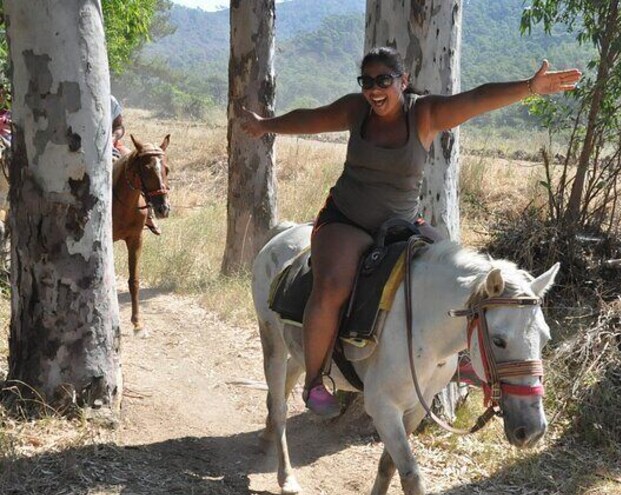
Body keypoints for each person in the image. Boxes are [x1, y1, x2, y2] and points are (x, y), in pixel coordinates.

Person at [240, 47, 581, 418]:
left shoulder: (425, 114)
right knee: (332, 286)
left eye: (384, 80)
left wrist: (529, 87)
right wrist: (265, 125)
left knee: (462, 280)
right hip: (346, 220)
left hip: (400, 225)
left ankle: (462, 361)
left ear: (403, 81)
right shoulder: (357, 111)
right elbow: (311, 119)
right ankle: (315, 381)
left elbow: (477, 98)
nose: (374, 89)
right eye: (367, 81)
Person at [111, 95, 161, 235]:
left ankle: (147, 213)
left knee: (136, 162)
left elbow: (119, 126)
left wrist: (112, 138)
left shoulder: (110, 100)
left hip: (112, 146)